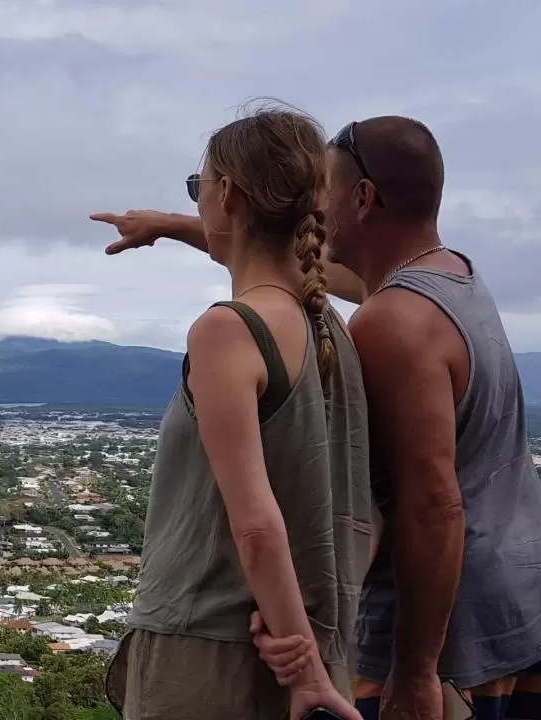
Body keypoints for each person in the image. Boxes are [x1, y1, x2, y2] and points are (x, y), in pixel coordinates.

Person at [94, 116, 541, 720]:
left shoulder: (372, 323)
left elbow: (425, 507)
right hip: (461, 617)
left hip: (269, 643)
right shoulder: (394, 301)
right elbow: (369, 508)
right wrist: (176, 226)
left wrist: (409, 671)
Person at [102, 106, 373, 720]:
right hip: (308, 639)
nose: (198, 203)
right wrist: (309, 646)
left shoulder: (229, 331)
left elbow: (255, 525)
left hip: (212, 649)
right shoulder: (330, 325)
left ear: (227, 193)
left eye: (198, 188)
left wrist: (299, 666)